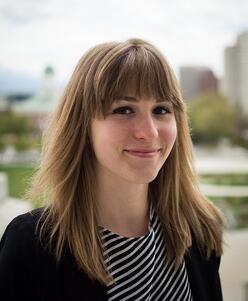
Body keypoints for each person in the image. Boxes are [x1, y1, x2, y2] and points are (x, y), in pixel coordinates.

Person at [0, 38, 224, 301]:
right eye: (124, 109)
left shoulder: (200, 230)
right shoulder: (32, 247)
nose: (149, 132)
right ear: (82, 125)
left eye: (161, 109)